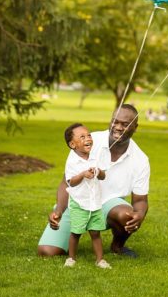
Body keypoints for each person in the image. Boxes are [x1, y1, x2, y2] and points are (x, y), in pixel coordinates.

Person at [37, 104, 150, 259]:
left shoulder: (141, 159)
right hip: (76, 203)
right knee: (46, 252)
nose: (118, 127)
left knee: (128, 215)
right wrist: (59, 211)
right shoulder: (89, 140)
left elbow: (140, 200)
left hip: (107, 207)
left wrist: (140, 214)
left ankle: (117, 246)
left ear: (135, 127)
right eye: (115, 122)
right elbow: (66, 183)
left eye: (125, 124)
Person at [61, 123, 111, 269]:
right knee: (76, 232)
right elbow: (71, 182)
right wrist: (83, 174)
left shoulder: (94, 157)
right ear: (72, 144)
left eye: (88, 135)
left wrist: (97, 171)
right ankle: (71, 258)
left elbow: (103, 176)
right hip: (79, 202)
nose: (88, 138)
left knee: (95, 232)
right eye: (82, 137)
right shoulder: (72, 161)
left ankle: (100, 260)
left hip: (95, 202)